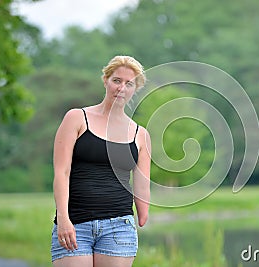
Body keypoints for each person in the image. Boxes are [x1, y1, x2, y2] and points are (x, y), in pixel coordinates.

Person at [50, 55, 151, 267]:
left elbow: (142, 183)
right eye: (116, 80)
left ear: (135, 89)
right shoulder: (77, 118)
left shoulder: (140, 134)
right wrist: (63, 218)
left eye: (129, 83)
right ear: (105, 80)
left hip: (119, 227)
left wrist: (143, 213)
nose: (121, 88)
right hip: (75, 223)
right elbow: (62, 172)